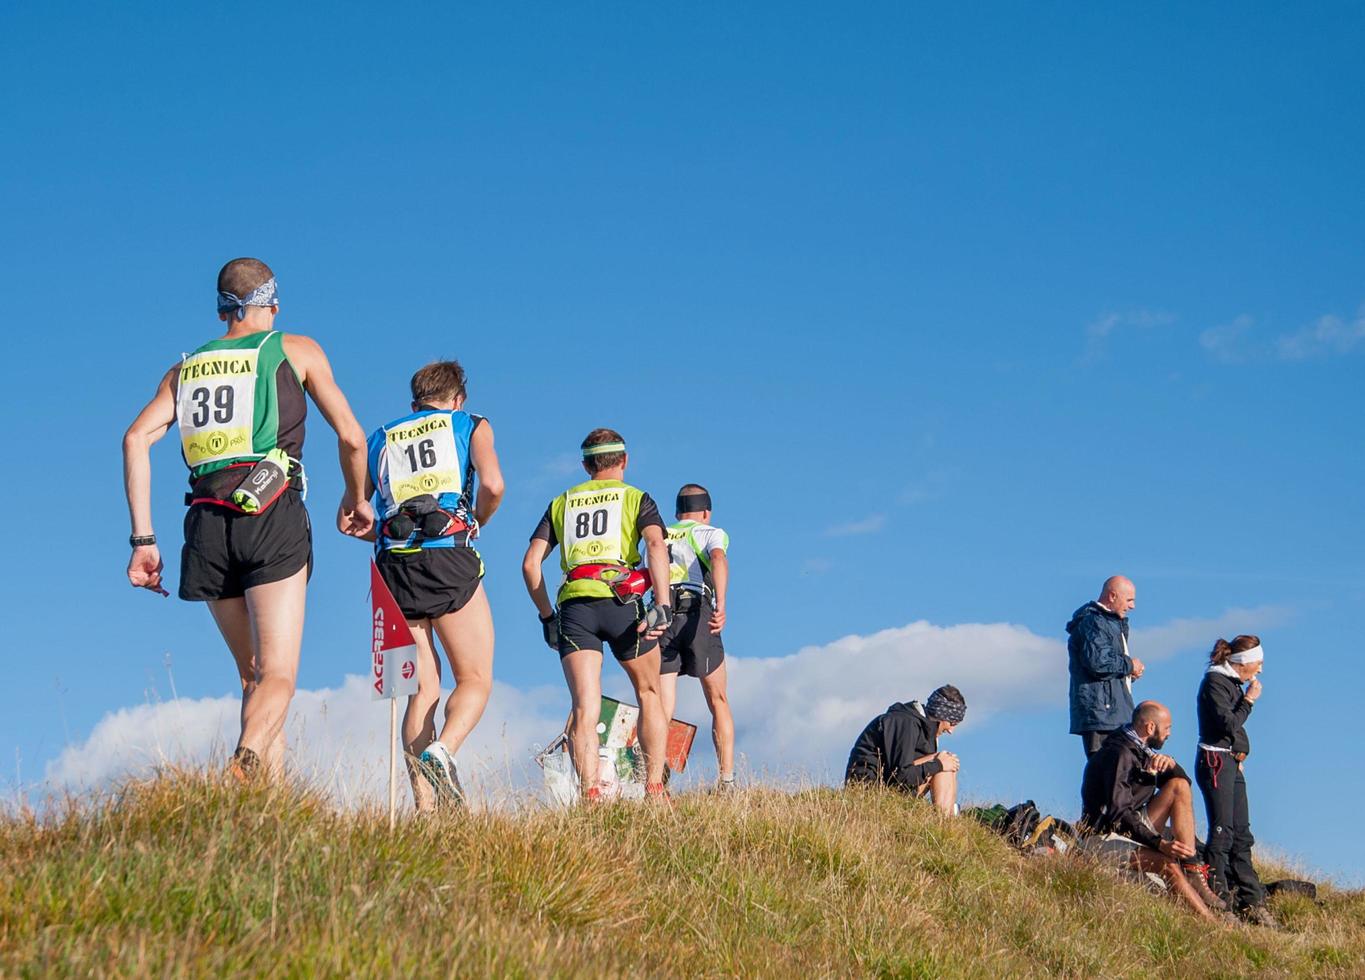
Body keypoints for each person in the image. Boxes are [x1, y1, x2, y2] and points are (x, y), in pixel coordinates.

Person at [122, 257, 373, 781]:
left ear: (222, 312)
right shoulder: (294, 349)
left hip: (206, 521)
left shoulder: (184, 369)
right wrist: (357, 497)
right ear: (273, 305)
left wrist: (143, 539)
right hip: (270, 510)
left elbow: (136, 437)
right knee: (278, 673)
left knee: (252, 678)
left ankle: (264, 810)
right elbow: (351, 435)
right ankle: (246, 761)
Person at [362, 361, 504, 810]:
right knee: (475, 678)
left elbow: (353, 515)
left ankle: (425, 809)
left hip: (394, 566)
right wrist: (478, 519)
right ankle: (444, 750)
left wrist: (383, 530)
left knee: (422, 691)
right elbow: (495, 485)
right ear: (458, 399)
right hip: (448, 555)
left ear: (414, 403)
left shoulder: (380, 436)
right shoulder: (470, 424)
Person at [521, 429, 674, 801]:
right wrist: (663, 604)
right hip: (622, 603)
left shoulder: (562, 502)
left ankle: (590, 793)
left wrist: (547, 617)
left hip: (575, 607)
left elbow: (529, 565)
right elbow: (655, 544)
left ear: (586, 465)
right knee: (649, 691)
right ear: (624, 461)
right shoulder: (637, 498)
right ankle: (654, 787)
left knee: (585, 705)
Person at [1080, 701, 1225, 920]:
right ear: (1150, 728)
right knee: (1167, 865)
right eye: (1167, 728)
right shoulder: (1119, 754)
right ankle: (1213, 925)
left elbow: (1183, 783)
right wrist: (1159, 844)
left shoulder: (1141, 749)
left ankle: (1192, 868)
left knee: (1178, 786)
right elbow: (1119, 814)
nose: (1169, 734)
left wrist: (1170, 764)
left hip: (1129, 829)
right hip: (1102, 837)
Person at [657, 484, 736, 791]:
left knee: (662, 707)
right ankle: (726, 780)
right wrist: (721, 603)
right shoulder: (710, 532)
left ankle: (655, 779)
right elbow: (718, 559)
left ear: (677, 513)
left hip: (663, 616)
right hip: (697, 613)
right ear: (706, 512)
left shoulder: (660, 534)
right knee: (718, 699)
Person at [1196, 635, 1277, 927]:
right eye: (1258, 663)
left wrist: (1240, 751)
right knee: (1222, 834)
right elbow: (1228, 723)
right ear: (1243, 662)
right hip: (1215, 762)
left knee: (1241, 835)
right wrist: (1249, 701)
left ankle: (1252, 901)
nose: (1260, 670)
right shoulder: (1215, 683)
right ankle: (1220, 903)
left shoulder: (1230, 684)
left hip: (1231, 762)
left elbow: (1234, 730)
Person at [844, 685, 966, 815]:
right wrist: (937, 764)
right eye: (952, 723)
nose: (951, 730)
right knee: (943, 761)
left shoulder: (925, 732)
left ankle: (949, 819)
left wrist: (940, 764)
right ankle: (945, 823)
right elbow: (900, 774)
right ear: (941, 715)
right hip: (868, 793)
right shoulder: (905, 723)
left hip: (890, 785)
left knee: (948, 762)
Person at [1067, 575, 1146, 759]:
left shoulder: (1107, 623)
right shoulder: (1094, 622)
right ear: (1112, 596)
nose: (1132, 606)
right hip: (1103, 714)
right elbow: (1098, 662)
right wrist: (1129, 664)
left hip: (1111, 712)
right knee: (1106, 771)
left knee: (1119, 771)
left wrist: (1127, 675)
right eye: (1129, 600)